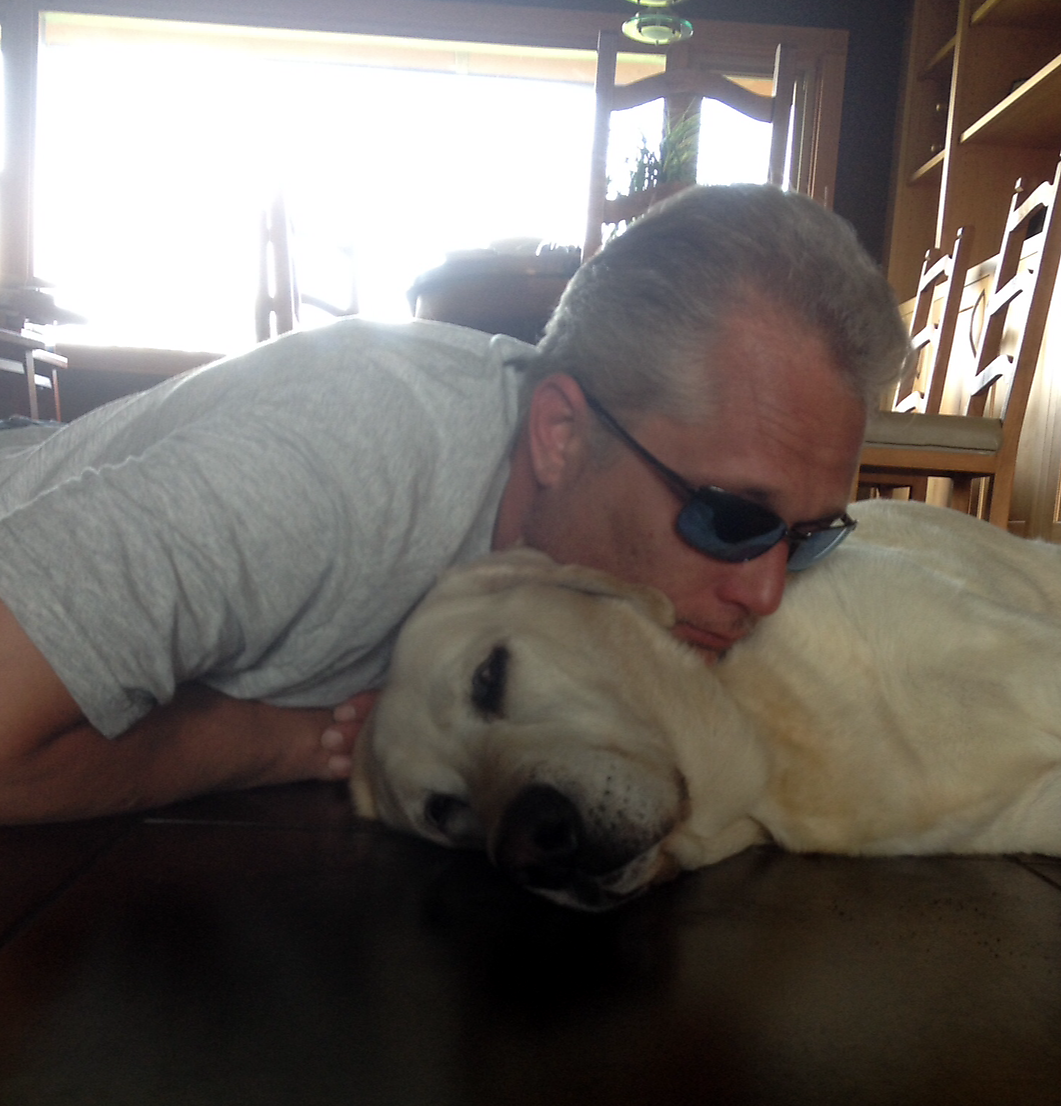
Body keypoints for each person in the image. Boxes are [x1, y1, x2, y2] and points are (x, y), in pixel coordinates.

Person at [0, 184, 908, 823]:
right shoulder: (332, 468)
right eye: (733, 519)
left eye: (809, 537)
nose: (766, 595)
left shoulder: (609, 568)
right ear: (559, 435)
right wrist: (278, 743)